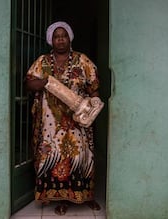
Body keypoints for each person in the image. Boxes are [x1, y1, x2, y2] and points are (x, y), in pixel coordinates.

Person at [25, 21, 101, 216]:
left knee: (81, 157)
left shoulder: (82, 60)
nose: (60, 39)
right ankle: (61, 198)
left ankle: (85, 196)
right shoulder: (42, 62)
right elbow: (30, 83)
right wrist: (44, 82)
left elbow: (94, 87)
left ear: (70, 38)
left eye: (64, 35)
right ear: (51, 40)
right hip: (51, 122)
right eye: (56, 36)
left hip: (78, 120)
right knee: (55, 156)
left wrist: (92, 106)